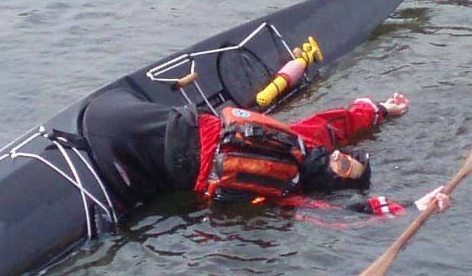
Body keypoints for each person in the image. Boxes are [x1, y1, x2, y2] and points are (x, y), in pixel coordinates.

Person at [79, 88, 451, 223]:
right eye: (344, 157)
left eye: (343, 165)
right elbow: (335, 124)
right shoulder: (298, 144)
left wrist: (416, 206)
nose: (338, 156)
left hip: (128, 146)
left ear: (333, 181)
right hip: (130, 122)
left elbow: (352, 216)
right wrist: (382, 109)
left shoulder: (292, 196)